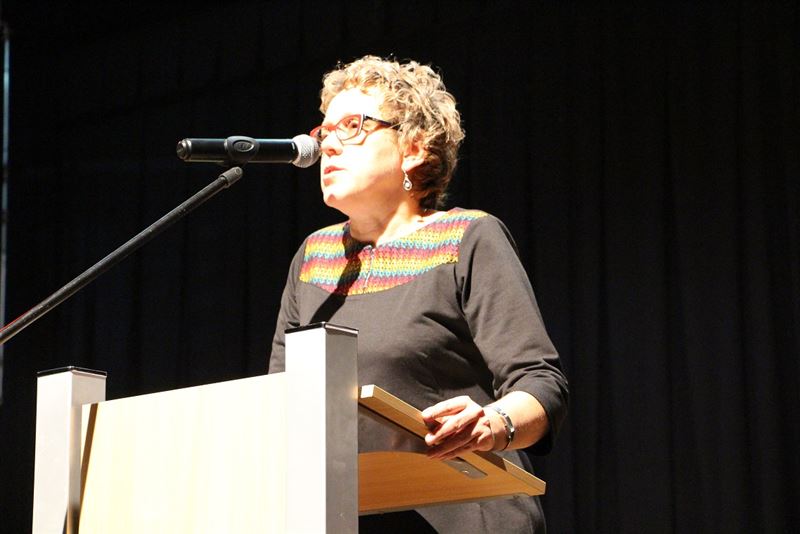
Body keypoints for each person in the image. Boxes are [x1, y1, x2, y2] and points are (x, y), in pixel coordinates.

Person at [268, 55, 568, 533]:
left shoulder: (467, 238)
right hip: (347, 518)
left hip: (466, 515)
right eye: (325, 132)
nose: (329, 145)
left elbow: (540, 383)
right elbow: (279, 403)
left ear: (413, 148)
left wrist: (493, 424)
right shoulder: (313, 257)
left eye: (353, 126)